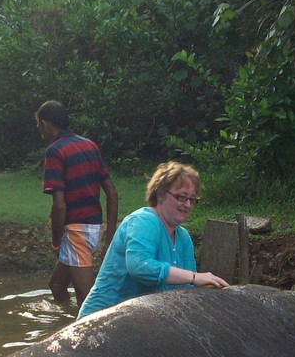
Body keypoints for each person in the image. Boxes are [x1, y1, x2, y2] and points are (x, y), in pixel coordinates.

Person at [76, 160, 229, 319]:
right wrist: (195, 277)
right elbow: (140, 267)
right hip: (99, 320)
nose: (188, 205)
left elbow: (186, 290)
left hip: (142, 321)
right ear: (161, 194)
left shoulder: (183, 238)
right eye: (182, 197)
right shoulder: (144, 221)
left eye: (192, 199)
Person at [37, 100, 118, 308]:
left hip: (75, 232)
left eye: (39, 125)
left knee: (89, 301)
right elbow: (111, 192)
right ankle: (65, 322)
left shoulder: (54, 151)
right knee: (56, 284)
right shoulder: (89, 145)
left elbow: (60, 205)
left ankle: (90, 334)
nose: (39, 131)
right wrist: (109, 238)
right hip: (93, 228)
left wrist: (55, 241)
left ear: (45, 124)